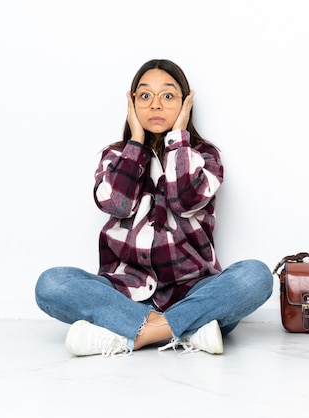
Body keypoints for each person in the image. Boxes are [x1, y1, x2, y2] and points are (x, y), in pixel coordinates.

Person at [35, 59, 273, 357]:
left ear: (186, 104)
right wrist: (135, 142)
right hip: (124, 295)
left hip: (193, 294)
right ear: (132, 104)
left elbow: (184, 201)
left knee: (255, 276)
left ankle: (130, 335)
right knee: (51, 284)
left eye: (168, 96)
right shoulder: (115, 157)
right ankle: (185, 331)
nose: (156, 105)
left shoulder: (205, 156)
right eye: (145, 96)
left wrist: (177, 140)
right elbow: (116, 204)